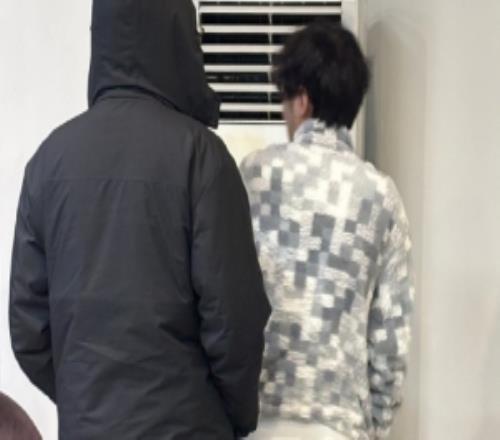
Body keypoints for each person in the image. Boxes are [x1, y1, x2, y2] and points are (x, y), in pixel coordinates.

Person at [9, 1, 270, 439]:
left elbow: (28, 327)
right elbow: (234, 319)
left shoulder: (47, 162)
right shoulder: (201, 157)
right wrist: (235, 417)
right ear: (177, 40)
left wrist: (87, 399)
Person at [240, 22, 414, 440]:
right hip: (340, 422)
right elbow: (391, 339)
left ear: (301, 99)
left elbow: (219, 299)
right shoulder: (381, 196)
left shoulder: (253, 176)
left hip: (257, 414)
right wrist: (373, 428)